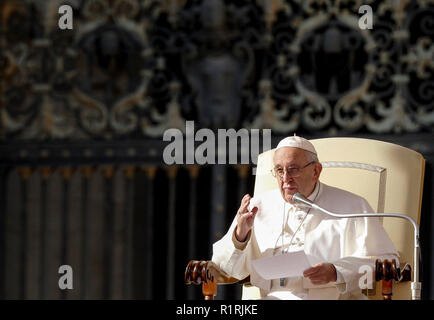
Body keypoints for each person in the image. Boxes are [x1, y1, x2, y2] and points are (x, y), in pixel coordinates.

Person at [211, 135, 398, 299]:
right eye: (279, 170)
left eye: (293, 169)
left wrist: (337, 272)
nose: (285, 178)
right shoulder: (256, 208)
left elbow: (388, 263)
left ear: (316, 171)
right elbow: (224, 267)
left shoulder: (353, 206)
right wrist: (240, 235)